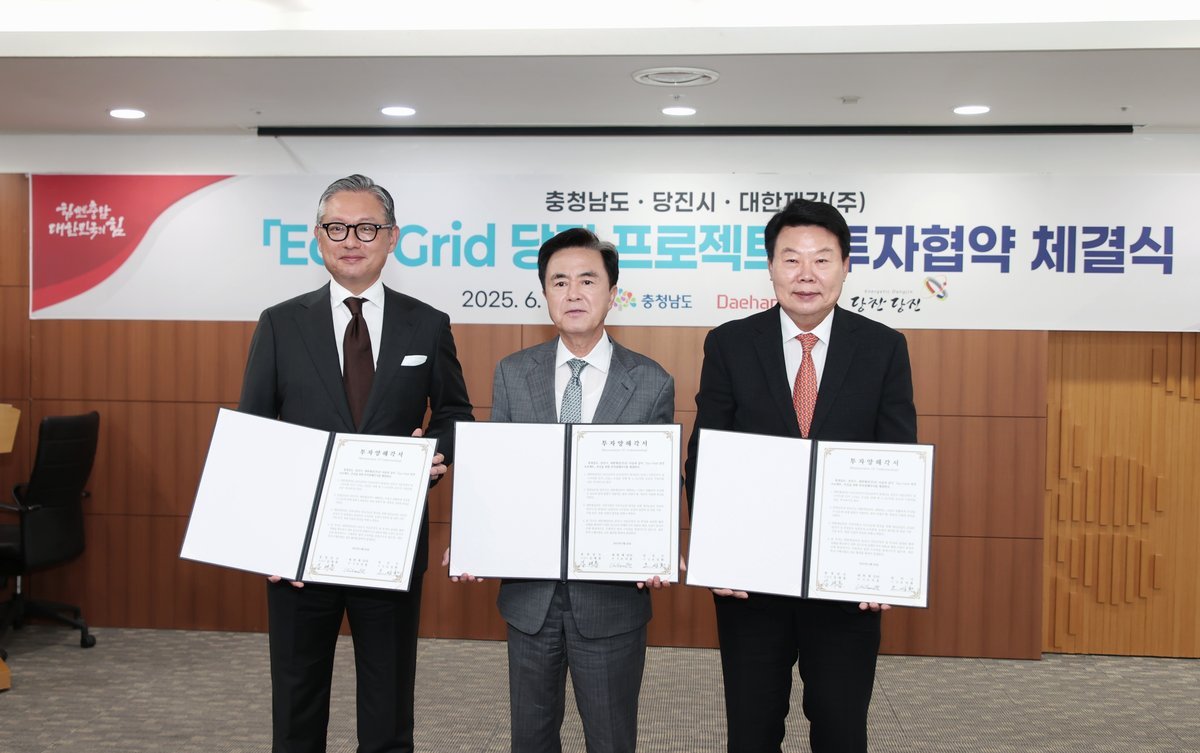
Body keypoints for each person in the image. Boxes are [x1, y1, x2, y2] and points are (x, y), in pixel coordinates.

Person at [239, 174, 474, 753]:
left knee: (388, 706)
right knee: (296, 705)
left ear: (392, 237)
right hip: (299, 549)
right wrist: (267, 541)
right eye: (337, 227)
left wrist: (433, 452)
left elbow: (454, 414)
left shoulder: (428, 323)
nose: (351, 240)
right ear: (317, 236)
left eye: (367, 228)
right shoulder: (280, 323)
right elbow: (254, 435)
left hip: (388, 542)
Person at [684, 198, 918, 753]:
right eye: (791, 259)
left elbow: (897, 459)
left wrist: (884, 565)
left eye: (821, 259)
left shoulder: (883, 347)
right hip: (751, 580)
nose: (806, 274)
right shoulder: (730, 343)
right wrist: (719, 553)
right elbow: (707, 454)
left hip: (846, 581)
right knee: (752, 730)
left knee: (841, 729)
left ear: (845, 266)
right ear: (771, 267)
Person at [448, 227, 674, 753]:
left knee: (611, 740)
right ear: (545, 293)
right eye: (559, 282)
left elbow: (657, 486)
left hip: (611, 601)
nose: (573, 293)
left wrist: (657, 547)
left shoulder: (651, 381)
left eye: (588, 281)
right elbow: (498, 476)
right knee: (529, 739)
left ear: (612, 293)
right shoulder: (513, 374)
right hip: (531, 600)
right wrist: (473, 539)